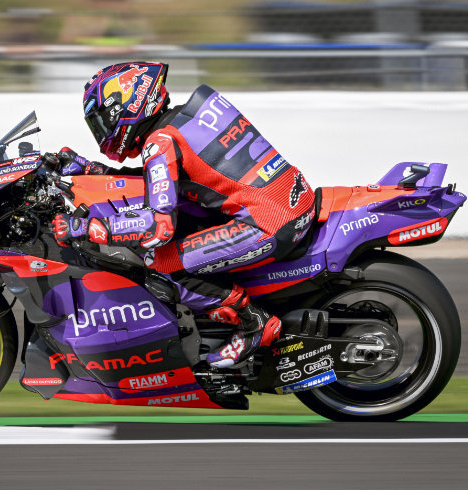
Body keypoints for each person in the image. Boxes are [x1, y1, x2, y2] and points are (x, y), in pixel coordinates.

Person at [52, 62, 315, 368]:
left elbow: (158, 227)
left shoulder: (160, 142)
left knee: (159, 262)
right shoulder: (181, 122)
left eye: (102, 122)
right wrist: (96, 172)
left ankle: (253, 321)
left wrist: (87, 227)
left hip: (268, 222)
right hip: (288, 201)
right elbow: (167, 179)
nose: (103, 132)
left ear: (124, 107)